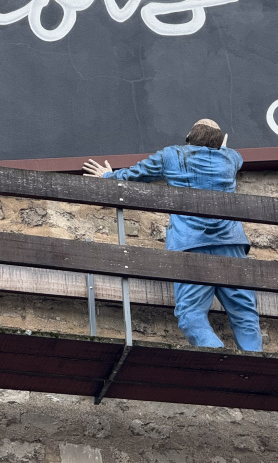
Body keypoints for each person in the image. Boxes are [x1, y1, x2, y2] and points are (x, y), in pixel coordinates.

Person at [82, 119, 262, 352]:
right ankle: (253, 359)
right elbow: (226, 151)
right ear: (220, 142)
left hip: (190, 244)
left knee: (190, 314)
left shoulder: (172, 156)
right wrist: (221, 146)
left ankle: (217, 353)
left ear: (188, 139)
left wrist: (108, 176)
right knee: (244, 312)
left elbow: (137, 173)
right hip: (230, 243)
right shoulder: (231, 158)